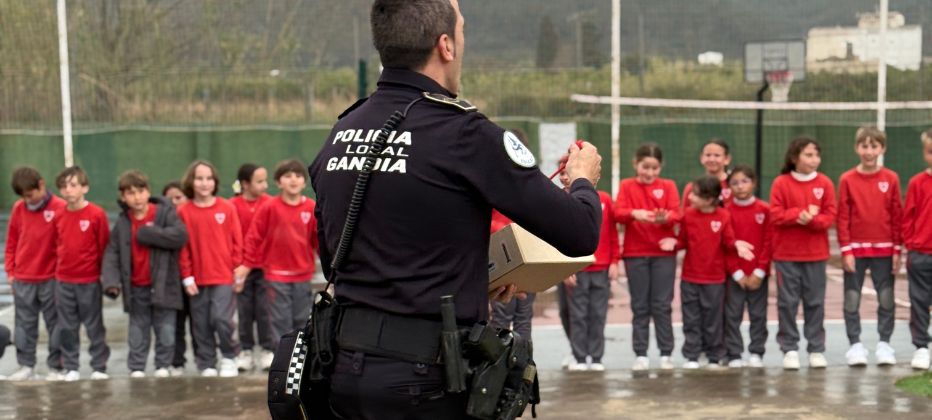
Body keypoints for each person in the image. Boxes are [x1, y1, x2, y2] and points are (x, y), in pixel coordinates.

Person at [307, 0, 602, 417]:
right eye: (462, 31)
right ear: (445, 45)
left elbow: (342, 257)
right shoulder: (463, 132)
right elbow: (580, 231)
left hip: (344, 375)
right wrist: (583, 179)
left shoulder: (343, 130)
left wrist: (468, 282)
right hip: (425, 382)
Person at [660, 176, 754, 370]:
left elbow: (728, 241)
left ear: (709, 199)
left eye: (695, 194)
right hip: (690, 277)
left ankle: (714, 356)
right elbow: (683, 241)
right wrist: (674, 242)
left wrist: (737, 244)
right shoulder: (688, 215)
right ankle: (692, 355)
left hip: (715, 279)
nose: (690, 197)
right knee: (691, 318)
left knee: (713, 319)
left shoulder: (723, 216)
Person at [101, 170, 188, 378]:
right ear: (123, 197)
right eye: (131, 193)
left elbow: (180, 236)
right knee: (137, 330)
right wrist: (111, 282)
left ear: (148, 192)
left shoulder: (164, 214)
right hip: (136, 287)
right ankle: (137, 367)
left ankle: (163, 365)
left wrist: (149, 234)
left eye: (141, 191)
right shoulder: (123, 222)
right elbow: (112, 253)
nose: (137, 197)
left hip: (164, 284)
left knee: (166, 329)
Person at [238, 159, 317, 370]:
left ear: (304, 182)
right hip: (275, 275)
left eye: (298, 176)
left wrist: (332, 270)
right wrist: (246, 265)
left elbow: (319, 241)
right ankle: (281, 359)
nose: (293, 180)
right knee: (279, 320)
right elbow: (254, 237)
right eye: (288, 176)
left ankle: (299, 361)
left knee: (301, 319)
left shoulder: (311, 207)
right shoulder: (269, 207)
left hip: (302, 275)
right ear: (278, 182)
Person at [836, 127, 902, 367]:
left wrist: (897, 249)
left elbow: (896, 214)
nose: (869, 151)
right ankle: (855, 345)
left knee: (886, 298)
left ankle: (884, 344)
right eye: (864, 146)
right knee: (851, 298)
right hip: (856, 250)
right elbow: (843, 216)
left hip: (884, 250)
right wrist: (846, 249)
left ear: (882, 149)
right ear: (857, 148)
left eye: (874, 146)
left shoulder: (891, 178)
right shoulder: (847, 179)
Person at [769, 137, 836, 370]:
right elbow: (775, 214)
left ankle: (816, 348)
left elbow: (829, 216)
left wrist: (813, 220)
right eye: (808, 155)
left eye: (816, 155)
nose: (814, 159)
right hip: (786, 255)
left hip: (815, 255)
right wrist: (799, 214)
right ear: (794, 157)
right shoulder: (781, 183)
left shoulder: (825, 183)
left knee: (815, 303)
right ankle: (789, 348)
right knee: (787, 303)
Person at [614, 143, 680, 371]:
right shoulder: (627, 185)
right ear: (636, 164)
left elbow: (677, 214)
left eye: (654, 168)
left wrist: (665, 218)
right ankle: (641, 353)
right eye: (645, 167)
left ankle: (666, 353)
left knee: (662, 305)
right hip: (636, 254)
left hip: (663, 255)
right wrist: (635, 213)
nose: (650, 172)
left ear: (660, 167)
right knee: (640, 305)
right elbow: (618, 213)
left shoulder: (669, 186)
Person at [177, 160, 243, 377]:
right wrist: (187, 276)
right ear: (191, 181)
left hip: (224, 277)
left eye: (209, 178)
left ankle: (229, 357)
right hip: (197, 279)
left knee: (222, 319)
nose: (204, 183)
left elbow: (237, 241)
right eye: (199, 178)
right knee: (201, 323)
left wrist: (237, 270)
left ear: (215, 182)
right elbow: (183, 248)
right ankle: (206, 362)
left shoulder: (227, 208)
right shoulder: (183, 211)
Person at [3, 167, 65, 381]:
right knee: (24, 325)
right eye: (24, 197)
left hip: (51, 279)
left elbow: (64, 244)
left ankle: (56, 367)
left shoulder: (60, 207)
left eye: (30, 195)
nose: (28, 200)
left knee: (56, 324)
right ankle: (26, 365)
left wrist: (60, 274)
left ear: (41, 185)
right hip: (23, 279)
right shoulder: (19, 208)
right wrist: (11, 271)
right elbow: (11, 241)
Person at [53, 166, 111, 381]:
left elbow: (104, 246)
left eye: (73, 185)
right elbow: (56, 245)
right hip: (64, 281)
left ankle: (99, 366)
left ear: (85, 188)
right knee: (67, 327)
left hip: (89, 281)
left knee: (94, 325)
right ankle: (71, 367)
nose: (68, 190)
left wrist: (104, 277)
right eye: (63, 186)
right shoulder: (59, 215)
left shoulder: (96, 214)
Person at [565, 181, 620, 372]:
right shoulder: (567, 199)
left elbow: (613, 231)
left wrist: (615, 261)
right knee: (578, 315)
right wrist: (566, 267)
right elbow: (562, 235)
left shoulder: (605, 199)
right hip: (577, 268)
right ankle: (580, 357)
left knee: (598, 314)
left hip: (602, 268)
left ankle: (596, 357)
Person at [723, 165, 772, 368]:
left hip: (758, 274)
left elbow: (769, 242)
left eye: (745, 181)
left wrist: (759, 271)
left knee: (758, 315)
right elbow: (726, 245)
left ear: (754, 183)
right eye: (735, 183)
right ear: (729, 187)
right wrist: (737, 273)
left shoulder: (765, 210)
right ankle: (734, 353)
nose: (740, 186)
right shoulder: (725, 212)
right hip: (735, 275)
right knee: (732, 314)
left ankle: (756, 352)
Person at [229, 163, 272, 372]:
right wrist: (238, 265)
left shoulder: (270, 204)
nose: (265, 185)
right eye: (259, 181)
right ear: (245, 184)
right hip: (240, 270)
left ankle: (267, 349)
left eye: (265, 180)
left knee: (265, 311)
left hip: (265, 268)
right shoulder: (232, 206)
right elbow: (232, 238)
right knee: (244, 312)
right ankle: (245, 351)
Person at [904, 129, 932, 370]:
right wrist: (911, 246)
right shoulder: (917, 183)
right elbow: (908, 218)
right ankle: (921, 347)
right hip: (921, 253)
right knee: (920, 301)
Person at [163, 180, 194, 376]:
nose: (174, 203)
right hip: (172, 283)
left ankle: (206, 362)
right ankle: (176, 362)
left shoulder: (191, 218)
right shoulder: (161, 223)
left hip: (194, 281)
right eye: (169, 199)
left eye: (178, 197)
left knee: (200, 324)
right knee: (175, 325)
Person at [682, 139, 733, 207]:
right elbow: (685, 211)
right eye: (708, 155)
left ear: (727, 159)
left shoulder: (734, 185)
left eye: (717, 155)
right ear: (701, 158)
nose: (712, 159)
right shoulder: (692, 187)